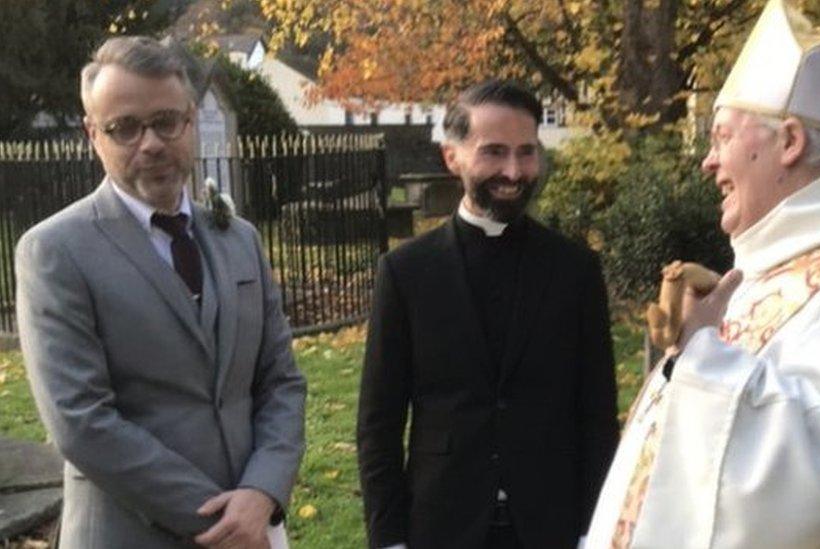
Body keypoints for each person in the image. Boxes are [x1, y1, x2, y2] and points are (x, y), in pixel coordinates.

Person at [586, 1, 820, 547]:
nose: (707, 161)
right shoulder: (785, 265)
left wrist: (702, 355)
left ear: (789, 142)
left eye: (721, 137)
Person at [15, 36, 306, 549]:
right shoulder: (55, 251)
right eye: (124, 127)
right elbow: (82, 422)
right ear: (92, 134)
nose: (149, 143)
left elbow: (280, 381)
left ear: (190, 122)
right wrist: (222, 523)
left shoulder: (239, 239)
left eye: (165, 121)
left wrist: (262, 490)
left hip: (256, 521)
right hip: (132, 533)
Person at [357, 80, 619, 549]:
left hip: (550, 524)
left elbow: (597, 414)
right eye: (494, 152)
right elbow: (379, 422)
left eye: (526, 152)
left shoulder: (575, 270)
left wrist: (591, 529)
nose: (514, 171)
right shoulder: (406, 272)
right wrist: (389, 538)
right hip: (441, 523)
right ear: (451, 157)